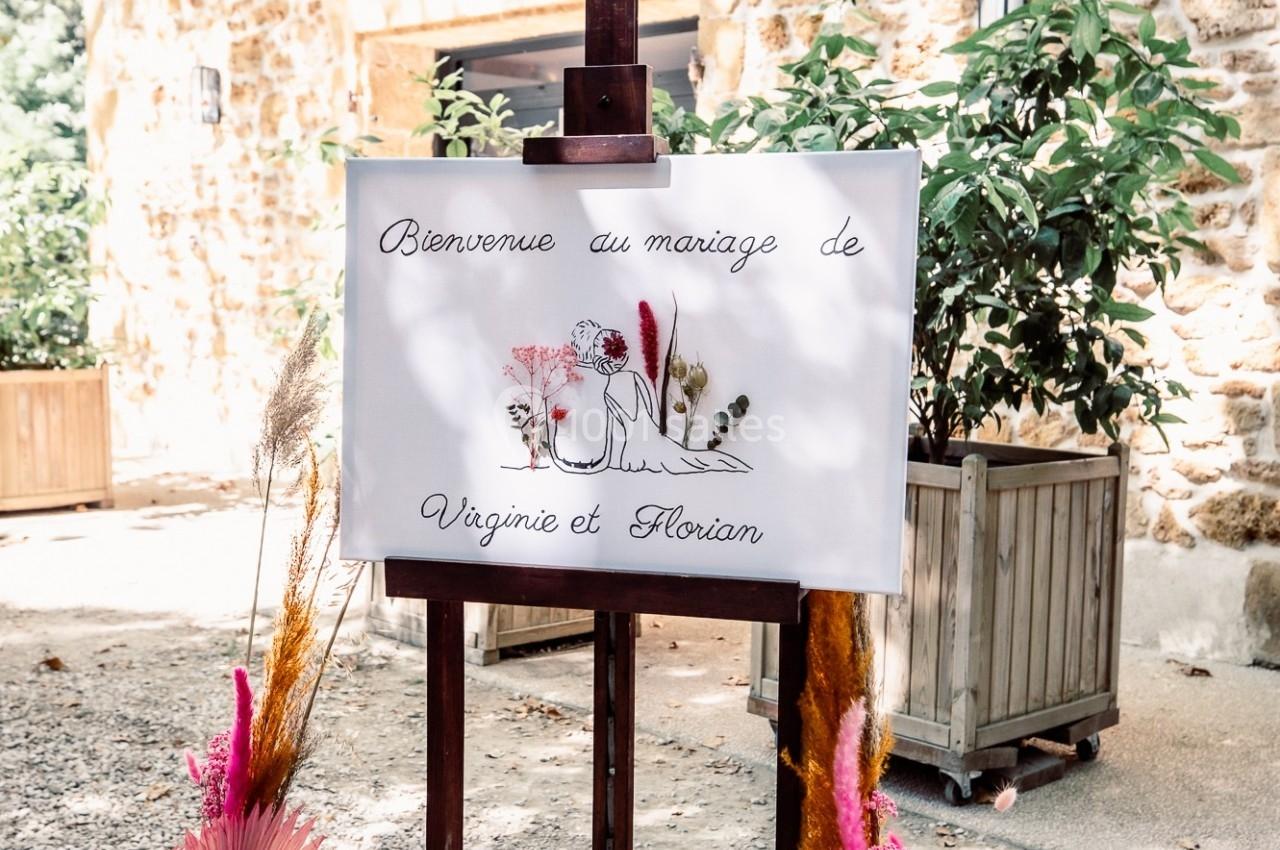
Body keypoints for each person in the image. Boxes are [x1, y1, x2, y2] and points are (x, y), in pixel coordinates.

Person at [547, 320, 750, 475]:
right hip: (644, 444)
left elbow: (618, 429)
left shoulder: (611, 388)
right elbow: (649, 413)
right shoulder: (632, 378)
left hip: (634, 454)